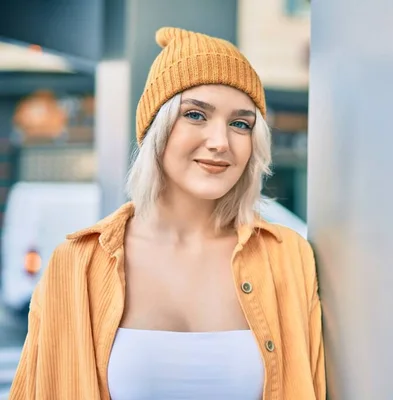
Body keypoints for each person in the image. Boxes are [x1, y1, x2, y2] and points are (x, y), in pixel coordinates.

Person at [10, 27, 325, 400]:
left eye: (241, 123)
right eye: (195, 115)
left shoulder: (288, 258)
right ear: (156, 129)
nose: (220, 142)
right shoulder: (77, 264)